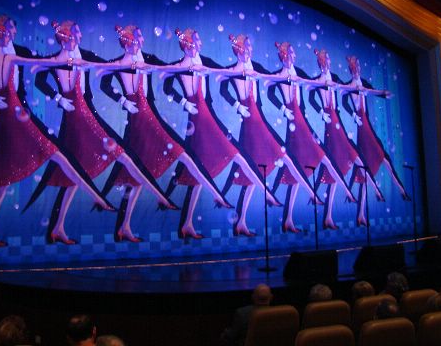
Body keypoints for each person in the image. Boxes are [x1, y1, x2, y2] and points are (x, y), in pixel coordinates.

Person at [0, 15, 112, 246]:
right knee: (55, 155)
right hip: (11, 116)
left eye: (13, 29)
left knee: (9, 170)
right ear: (1, 32)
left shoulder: (16, 51)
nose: (13, 32)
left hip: (18, 112)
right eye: (10, 28)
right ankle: (96, 197)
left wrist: (67, 64)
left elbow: (38, 64)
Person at [25, 20, 163, 244]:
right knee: (81, 166)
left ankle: (69, 224)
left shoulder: (91, 55)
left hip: (95, 113)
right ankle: (92, 210)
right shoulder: (57, 58)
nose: (79, 36)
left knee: (83, 167)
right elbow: (40, 78)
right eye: (76, 33)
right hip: (76, 118)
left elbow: (109, 68)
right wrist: (58, 97)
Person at [98, 24, 230, 241]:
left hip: (150, 117)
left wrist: (190, 71)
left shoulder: (149, 58)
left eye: (141, 37)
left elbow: (169, 70)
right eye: (137, 37)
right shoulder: (119, 63)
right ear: (128, 40)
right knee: (150, 167)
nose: (141, 40)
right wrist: (122, 100)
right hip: (139, 121)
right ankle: (130, 222)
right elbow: (104, 82)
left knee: (154, 166)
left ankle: (129, 224)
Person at [163, 29, 283, 238]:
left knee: (201, 170)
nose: (199, 45)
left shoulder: (207, 62)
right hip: (199, 119)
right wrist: (183, 101)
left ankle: (188, 223)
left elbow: (227, 74)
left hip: (208, 116)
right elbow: (166, 83)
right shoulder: (179, 66)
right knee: (232, 155)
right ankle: (266, 195)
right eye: (196, 41)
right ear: (188, 44)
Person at [218, 33, 320, 235]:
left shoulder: (257, 67)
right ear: (238, 49)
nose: (250, 49)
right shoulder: (233, 70)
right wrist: (237, 105)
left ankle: (242, 221)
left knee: (254, 171)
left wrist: (287, 78)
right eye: (246, 46)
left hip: (259, 120)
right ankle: (303, 194)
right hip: (251, 124)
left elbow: (272, 80)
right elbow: (222, 87)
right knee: (281, 155)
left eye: (250, 46)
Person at [267, 42, 352, 232]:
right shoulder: (278, 75)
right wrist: (283, 108)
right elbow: (270, 90)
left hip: (302, 122)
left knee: (297, 169)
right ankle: (337, 193)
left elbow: (315, 86)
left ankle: (288, 217)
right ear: (284, 55)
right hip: (294, 124)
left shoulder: (301, 73)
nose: (294, 56)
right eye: (290, 53)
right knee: (317, 158)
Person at [309, 48, 382, 228]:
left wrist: (377, 93)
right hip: (330, 126)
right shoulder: (317, 80)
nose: (326, 63)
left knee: (340, 166)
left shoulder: (335, 77)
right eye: (323, 60)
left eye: (327, 59)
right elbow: (311, 97)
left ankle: (329, 215)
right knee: (340, 164)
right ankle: (372, 192)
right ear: (320, 63)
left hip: (337, 123)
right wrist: (321, 111)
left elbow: (345, 92)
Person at [342, 55, 410, 201]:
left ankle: (401, 190)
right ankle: (398, 191)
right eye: (354, 67)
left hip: (366, 126)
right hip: (362, 127)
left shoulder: (363, 83)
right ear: (350, 69)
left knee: (380, 159)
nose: (356, 69)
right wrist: (353, 114)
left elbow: (372, 91)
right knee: (376, 159)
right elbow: (344, 101)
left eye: (357, 66)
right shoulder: (348, 86)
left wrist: (383, 94)